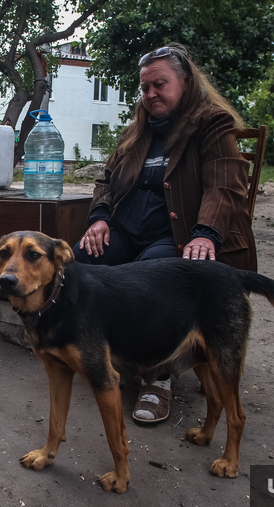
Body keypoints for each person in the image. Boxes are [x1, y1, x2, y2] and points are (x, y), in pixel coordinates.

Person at [75, 43, 256, 424]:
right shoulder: (138, 128)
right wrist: (100, 218)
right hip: (125, 230)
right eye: (145, 87)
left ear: (186, 82)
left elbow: (225, 185)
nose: (150, 94)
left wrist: (206, 233)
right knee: (85, 259)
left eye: (160, 84)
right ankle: (103, 353)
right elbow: (105, 180)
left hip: (179, 236)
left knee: (153, 275)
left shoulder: (211, 122)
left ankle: (157, 382)